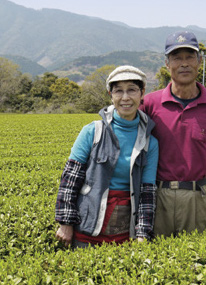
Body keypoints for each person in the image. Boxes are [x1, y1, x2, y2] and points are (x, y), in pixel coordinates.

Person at [55, 65, 158, 248]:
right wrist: (65, 223)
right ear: (111, 94)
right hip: (87, 225)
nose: (125, 97)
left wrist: (143, 232)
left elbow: (147, 191)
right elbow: (70, 180)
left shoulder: (150, 142)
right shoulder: (92, 132)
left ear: (142, 93)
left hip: (126, 229)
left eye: (132, 90)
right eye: (119, 91)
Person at [140, 31, 206, 237]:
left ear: (199, 61)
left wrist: (196, 187)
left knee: (197, 262)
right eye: (177, 58)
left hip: (197, 196)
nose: (184, 63)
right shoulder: (150, 104)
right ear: (167, 63)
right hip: (158, 195)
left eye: (190, 57)